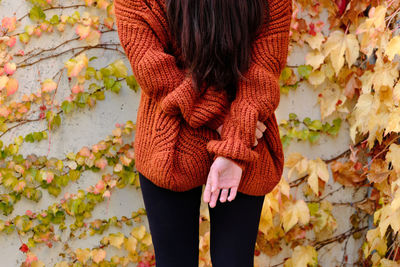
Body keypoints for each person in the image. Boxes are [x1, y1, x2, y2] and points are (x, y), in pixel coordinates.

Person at [114, 0, 292, 266]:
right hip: (174, 140)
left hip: (239, 142)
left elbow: (264, 69)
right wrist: (233, 131)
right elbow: (154, 71)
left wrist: (235, 145)